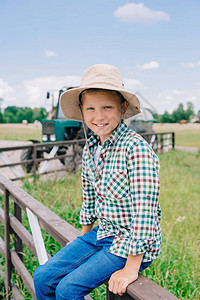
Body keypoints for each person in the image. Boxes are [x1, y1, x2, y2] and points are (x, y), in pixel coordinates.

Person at [33, 64, 161, 299]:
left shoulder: (136, 149)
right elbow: (89, 197)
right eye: (91, 108)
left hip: (128, 242)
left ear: (122, 108)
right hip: (102, 233)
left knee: (67, 290)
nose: (99, 116)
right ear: (81, 110)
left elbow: (146, 212)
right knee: (42, 278)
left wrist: (131, 268)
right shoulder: (92, 146)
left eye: (107, 107)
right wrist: (83, 238)